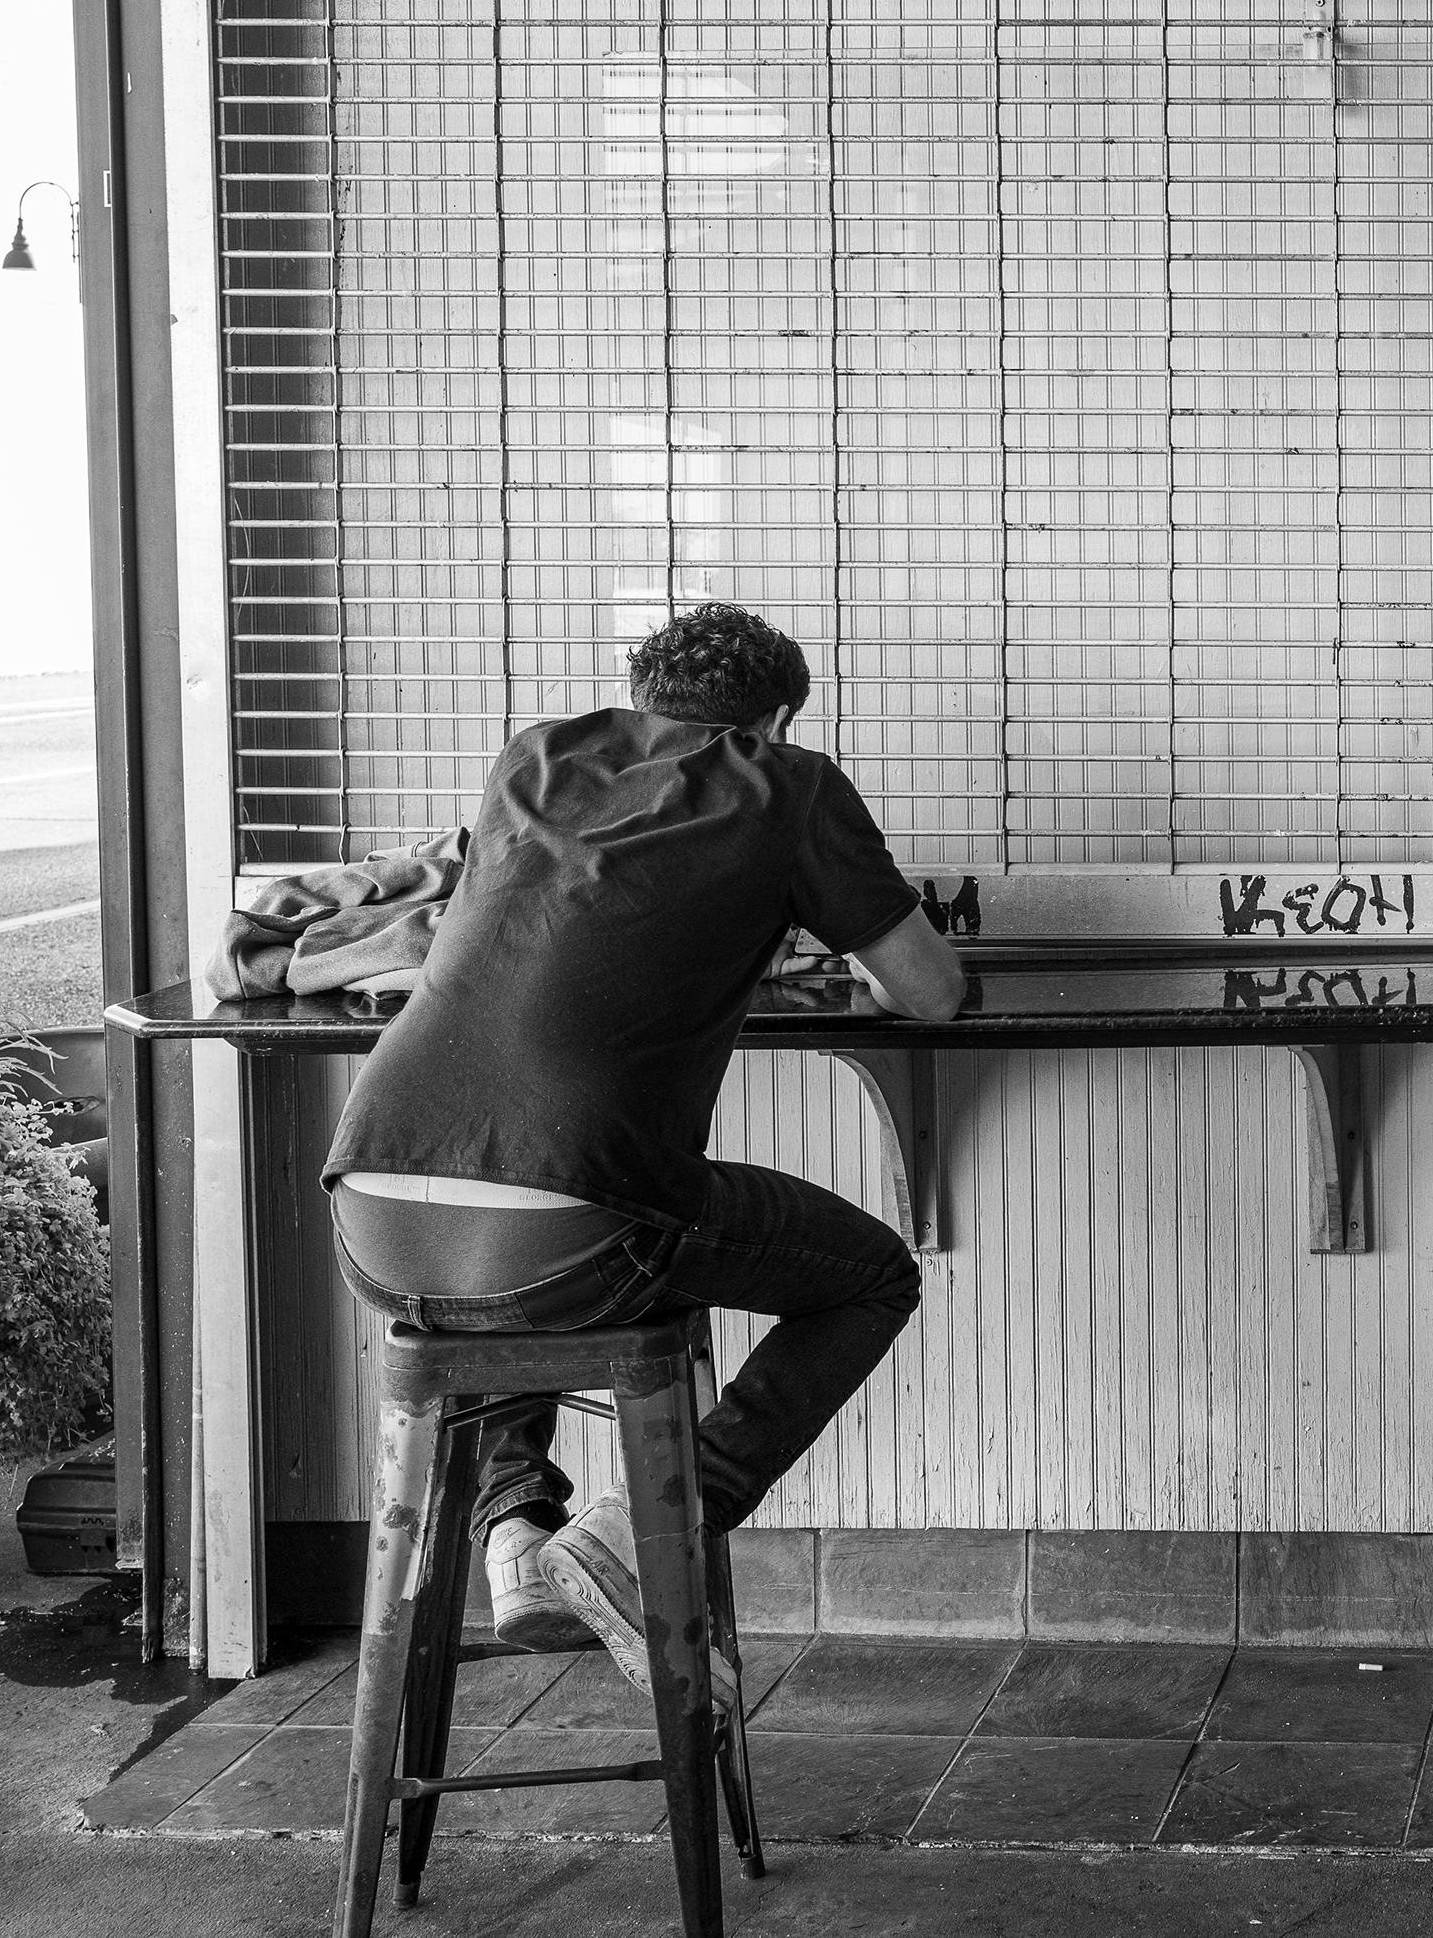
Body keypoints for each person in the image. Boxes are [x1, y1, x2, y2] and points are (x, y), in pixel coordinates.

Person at [323, 603, 968, 1678]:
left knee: (513, 1241)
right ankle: (632, 1539)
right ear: (771, 718)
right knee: (871, 1277)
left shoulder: (535, 758)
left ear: (642, 694)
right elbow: (931, 992)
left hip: (374, 1215)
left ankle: (519, 1533)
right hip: (570, 1228)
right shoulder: (789, 783)